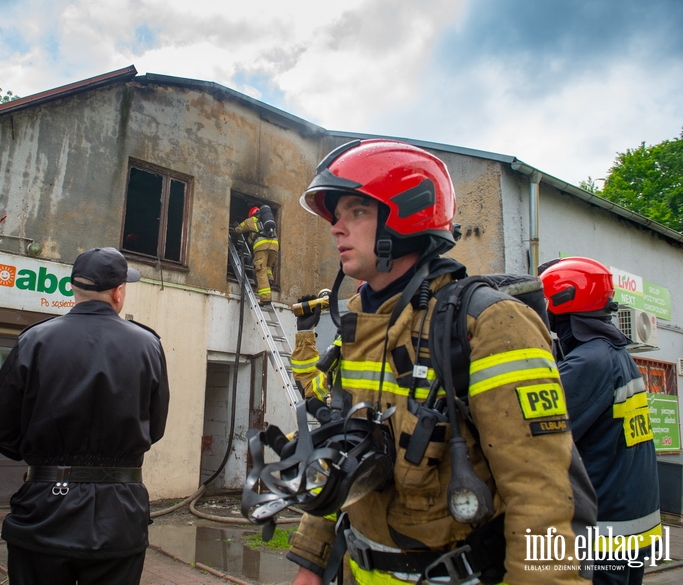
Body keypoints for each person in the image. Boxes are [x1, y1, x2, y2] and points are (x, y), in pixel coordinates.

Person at [283, 139, 596, 584]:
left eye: (355, 212)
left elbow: (544, 496)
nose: (336, 228)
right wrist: (311, 562)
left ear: (406, 216)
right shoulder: (360, 324)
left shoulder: (489, 324)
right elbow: (344, 455)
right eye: (336, 216)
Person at [0, 246, 171, 585]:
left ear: (74, 289)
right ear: (118, 292)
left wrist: (44, 461)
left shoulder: (34, 339)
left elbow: (1, 429)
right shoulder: (148, 345)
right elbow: (155, 426)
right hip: (120, 512)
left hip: (44, 507)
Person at [540, 257, 661, 585]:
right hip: (631, 525)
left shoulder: (588, 363)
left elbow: (536, 435)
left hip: (605, 533)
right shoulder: (615, 353)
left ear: (561, 303)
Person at [234, 205, 279, 304]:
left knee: (260, 270)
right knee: (267, 266)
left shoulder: (251, 220)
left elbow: (238, 229)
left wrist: (235, 229)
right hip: (274, 246)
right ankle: (270, 280)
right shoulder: (267, 222)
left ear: (251, 214)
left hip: (262, 246)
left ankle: (265, 298)